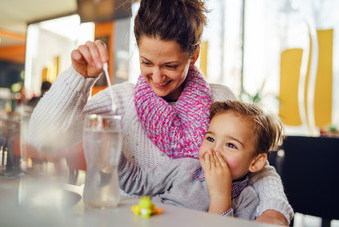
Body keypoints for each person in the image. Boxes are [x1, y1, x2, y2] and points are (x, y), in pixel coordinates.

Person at [30, 0, 290, 224]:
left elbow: (255, 167)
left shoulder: (219, 99)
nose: (156, 77)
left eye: (170, 65)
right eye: (146, 62)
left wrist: (274, 209)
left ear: (194, 54)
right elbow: (41, 137)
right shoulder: (120, 100)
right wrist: (78, 78)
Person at [117, 100, 293, 221]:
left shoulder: (247, 199)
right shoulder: (185, 168)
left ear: (255, 162)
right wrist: (113, 148)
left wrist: (220, 195)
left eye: (231, 145)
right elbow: (135, 181)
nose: (214, 151)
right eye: (210, 139)